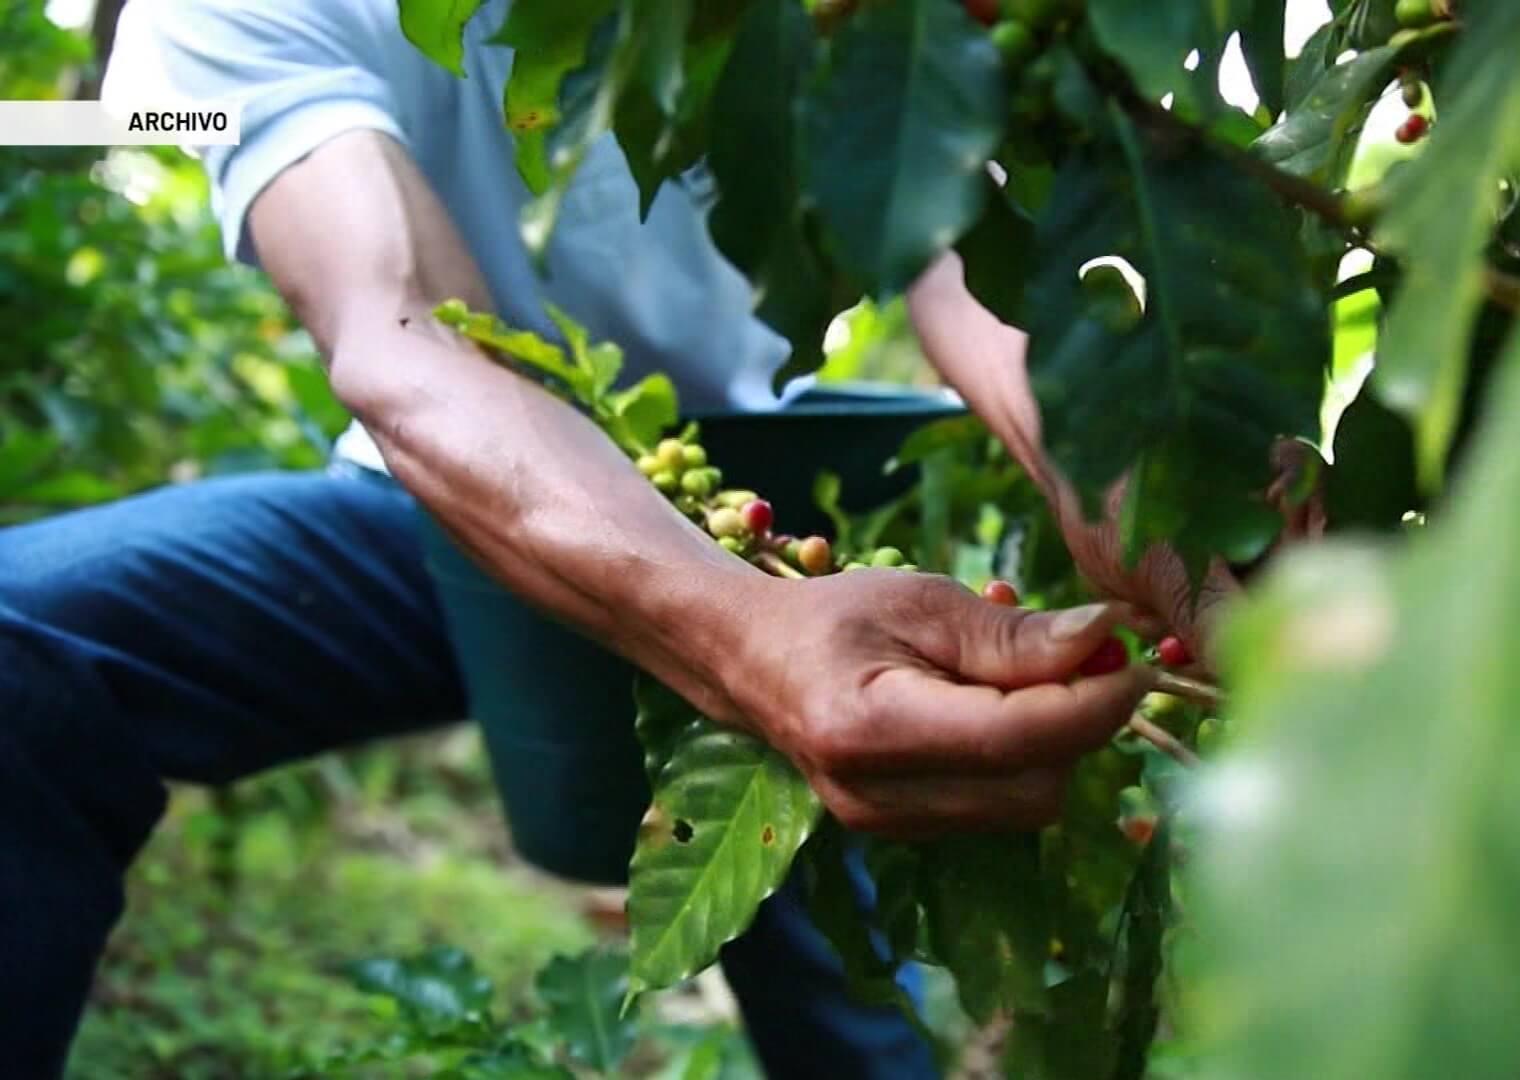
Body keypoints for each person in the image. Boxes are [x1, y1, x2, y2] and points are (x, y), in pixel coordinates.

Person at [0, 0, 1239, 1074]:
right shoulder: (222, 20)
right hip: (430, 511)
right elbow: (405, 328)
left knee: (851, 999)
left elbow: (947, 249)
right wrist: (736, 631)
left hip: (748, 517)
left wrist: (1123, 466)